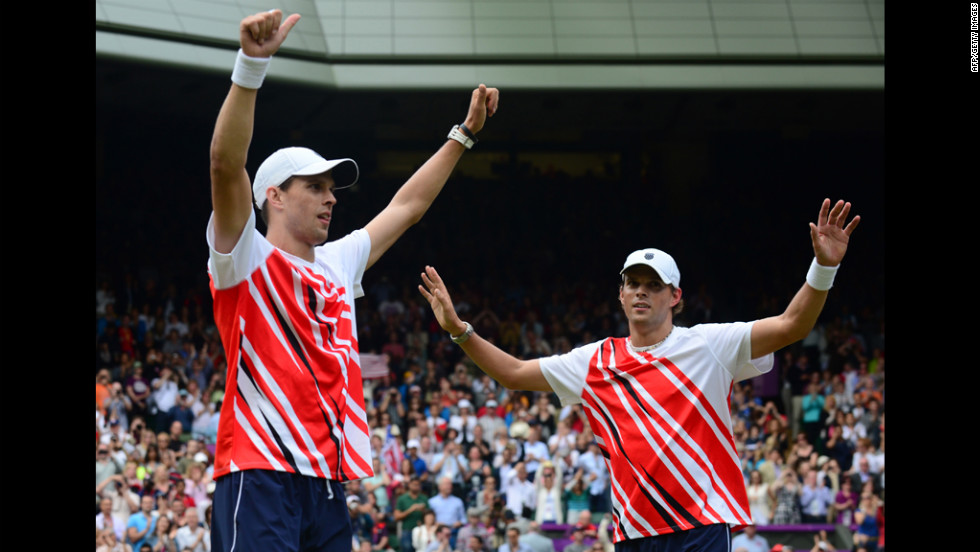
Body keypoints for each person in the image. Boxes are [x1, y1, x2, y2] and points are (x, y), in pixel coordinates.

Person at [206, 9, 499, 552]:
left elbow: (407, 206)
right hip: (258, 469)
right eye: (315, 186)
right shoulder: (242, 256)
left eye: (332, 187)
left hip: (328, 483)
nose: (331, 197)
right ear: (273, 195)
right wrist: (251, 66)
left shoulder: (336, 262)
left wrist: (464, 134)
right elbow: (225, 163)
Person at [418, 198, 859, 549]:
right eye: (633, 284)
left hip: (701, 526)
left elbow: (791, 325)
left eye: (653, 285)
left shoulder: (708, 344)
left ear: (675, 296)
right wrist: (459, 331)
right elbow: (513, 373)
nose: (641, 292)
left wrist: (825, 267)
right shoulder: (595, 362)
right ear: (621, 294)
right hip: (634, 532)